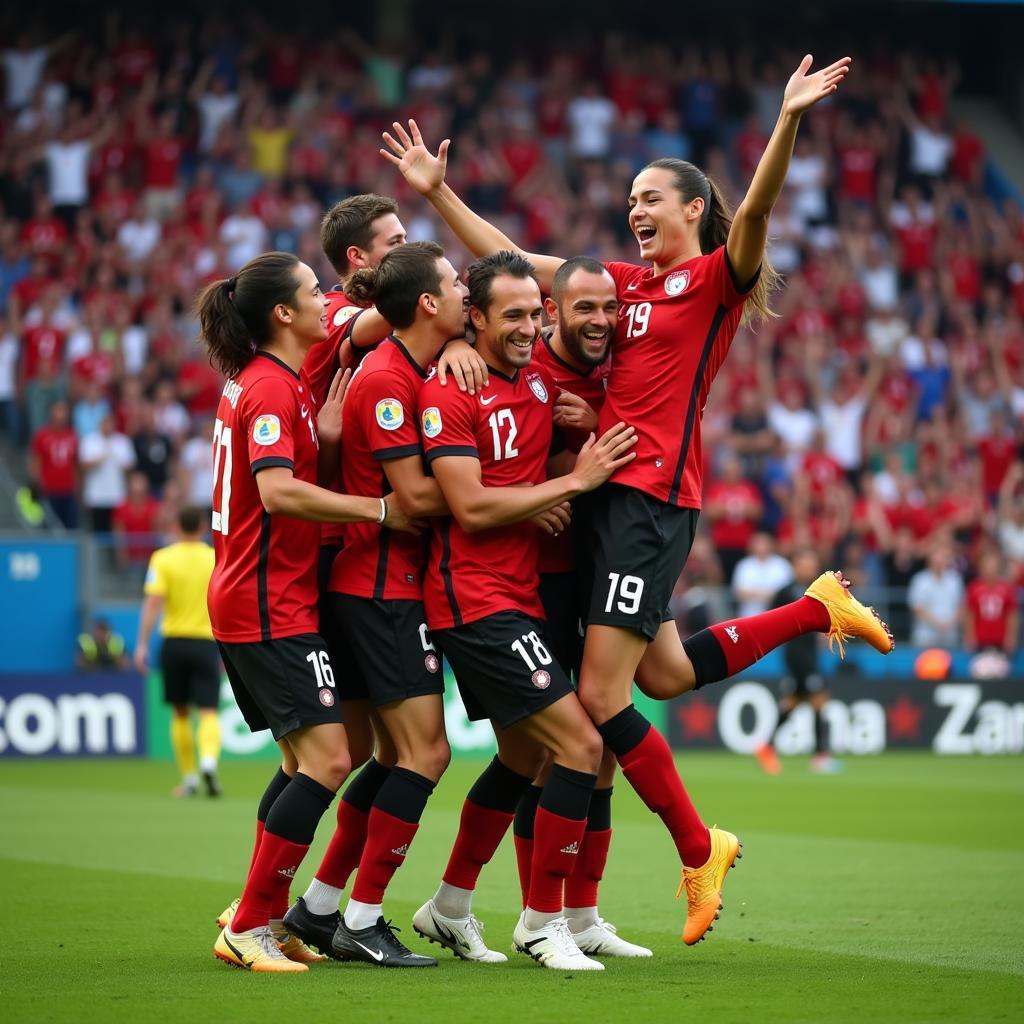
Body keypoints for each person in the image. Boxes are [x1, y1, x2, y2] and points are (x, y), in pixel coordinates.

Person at [383, 53, 892, 948]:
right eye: (629, 200)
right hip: (615, 503)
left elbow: (760, 212)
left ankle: (697, 848)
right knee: (660, 677)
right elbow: (512, 265)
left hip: (649, 500)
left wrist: (788, 121)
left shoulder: (712, 282)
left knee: (601, 699)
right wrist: (434, 193)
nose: (635, 210)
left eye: (650, 198)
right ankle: (814, 609)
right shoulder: (626, 285)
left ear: (694, 208)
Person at [412, 251, 637, 971]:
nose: (526, 327)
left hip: (523, 596)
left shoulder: (538, 377)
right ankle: (542, 924)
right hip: (474, 602)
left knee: (521, 755)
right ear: (472, 318)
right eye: (510, 315)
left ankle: (448, 907)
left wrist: (572, 451)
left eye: (532, 314)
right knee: (581, 747)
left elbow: (521, 473)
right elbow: (472, 508)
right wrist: (569, 483)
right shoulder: (449, 390)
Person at [196, 250, 417, 973]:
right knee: (329, 759)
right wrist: (378, 509)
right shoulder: (267, 389)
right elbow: (278, 493)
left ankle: (253, 911)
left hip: (264, 594)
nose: (326, 304)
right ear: (283, 316)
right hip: (266, 599)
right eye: (309, 295)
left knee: (302, 762)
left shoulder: (271, 384)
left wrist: (320, 439)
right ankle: (252, 923)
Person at [284, 243, 467, 967]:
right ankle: (359, 916)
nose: (462, 294)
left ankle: (322, 907)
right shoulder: (388, 379)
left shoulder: (410, 366)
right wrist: (494, 498)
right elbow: (415, 497)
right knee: (426, 753)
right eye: (454, 285)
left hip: (380, 585)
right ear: (427, 303)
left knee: (390, 754)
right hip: (380, 587)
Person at [514, 256, 650, 958]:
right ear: (551, 310)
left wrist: (597, 417)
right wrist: (549, 489)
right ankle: (540, 920)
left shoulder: (622, 365)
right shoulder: (518, 363)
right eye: (585, 308)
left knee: (600, 758)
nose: (601, 320)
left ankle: (584, 915)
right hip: (528, 580)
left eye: (609, 307)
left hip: (595, 574)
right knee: (557, 753)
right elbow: (483, 467)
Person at [134, 505, 222, 798]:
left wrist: (142, 644)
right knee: (208, 711)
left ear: (176, 527)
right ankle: (209, 761)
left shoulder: (163, 558)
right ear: (201, 526)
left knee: (180, 712)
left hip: (174, 642)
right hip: (207, 642)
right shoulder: (214, 557)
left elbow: (152, 603)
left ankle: (190, 778)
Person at [755, 549, 841, 775]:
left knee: (793, 702)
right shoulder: (786, 591)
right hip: (796, 654)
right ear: (796, 565)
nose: (809, 567)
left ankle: (767, 747)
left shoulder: (817, 590)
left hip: (810, 652)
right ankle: (821, 756)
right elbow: (770, 619)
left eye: (812, 562)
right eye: (805, 562)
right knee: (819, 700)